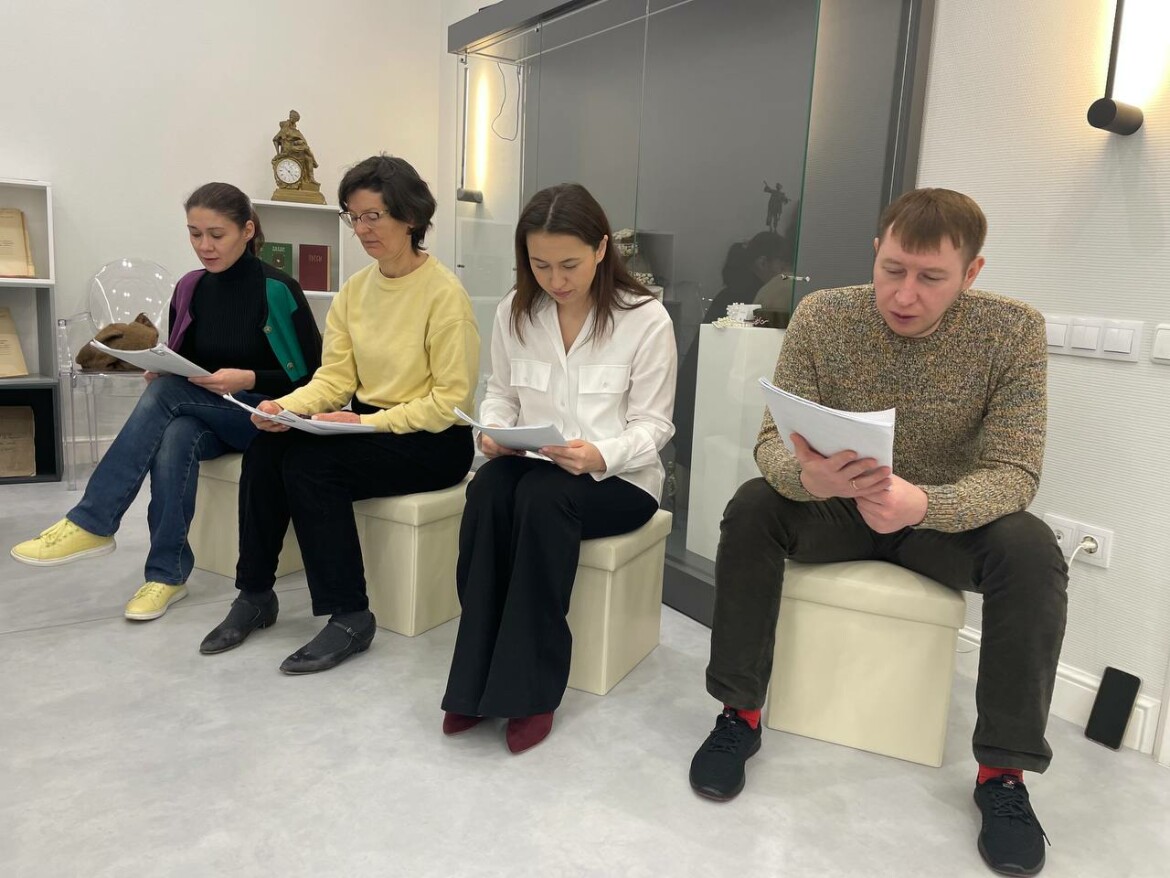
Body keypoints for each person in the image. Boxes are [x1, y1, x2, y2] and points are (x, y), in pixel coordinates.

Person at [687, 188, 1066, 877]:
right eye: (892, 269)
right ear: (875, 253)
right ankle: (739, 715)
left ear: (971, 273)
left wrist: (924, 504)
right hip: (837, 507)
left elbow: (1015, 471)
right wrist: (809, 478)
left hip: (938, 518)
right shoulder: (823, 315)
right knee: (753, 506)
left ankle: (1003, 774)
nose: (904, 294)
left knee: (1033, 549)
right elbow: (772, 444)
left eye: (931, 278)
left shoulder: (1012, 330)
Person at [199, 155, 479, 674]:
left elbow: (449, 403)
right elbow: (335, 379)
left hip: (435, 440)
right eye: (354, 216)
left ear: (410, 216)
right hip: (370, 424)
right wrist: (285, 406)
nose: (362, 229)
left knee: (312, 465)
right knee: (269, 446)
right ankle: (255, 593)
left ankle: (350, 614)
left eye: (374, 216)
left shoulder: (445, 296)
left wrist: (364, 423)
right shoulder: (356, 290)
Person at [11, 183, 322, 621]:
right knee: (176, 434)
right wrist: (164, 367)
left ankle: (93, 520)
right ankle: (166, 576)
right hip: (212, 413)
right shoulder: (190, 288)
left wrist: (249, 377)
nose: (204, 246)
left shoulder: (278, 289)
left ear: (248, 230)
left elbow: (313, 377)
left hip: (267, 416)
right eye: (194, 234)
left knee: (166, 396)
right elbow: (188, 360)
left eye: (217, 234)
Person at [440, 183, 676, 754]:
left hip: (620, 481)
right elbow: (501, 394)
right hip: (538, 468)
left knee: (543, 500)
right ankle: (472, 681)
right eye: (540, 265)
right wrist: (493, 432)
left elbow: (654, 425)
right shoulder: (515, 312)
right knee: (489, 488)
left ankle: (530, 692)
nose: (555, 280)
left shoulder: (645, 319)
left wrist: (599, 454)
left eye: (569, 264)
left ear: (601, 248)